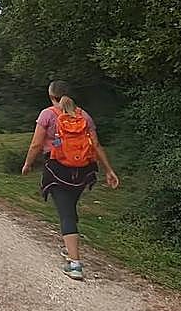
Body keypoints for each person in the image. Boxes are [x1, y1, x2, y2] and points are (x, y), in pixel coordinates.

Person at [20, 80, 119, 280]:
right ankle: (70, 245)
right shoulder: (84, 116)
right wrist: (109, 170)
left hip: (58, 169)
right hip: (83, 170)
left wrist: (28, 164)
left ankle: (75, 264)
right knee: (70, 209)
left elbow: (36, 144)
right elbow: (96, 145)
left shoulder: (48, 114)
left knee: (66, 214)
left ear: (51, 96)